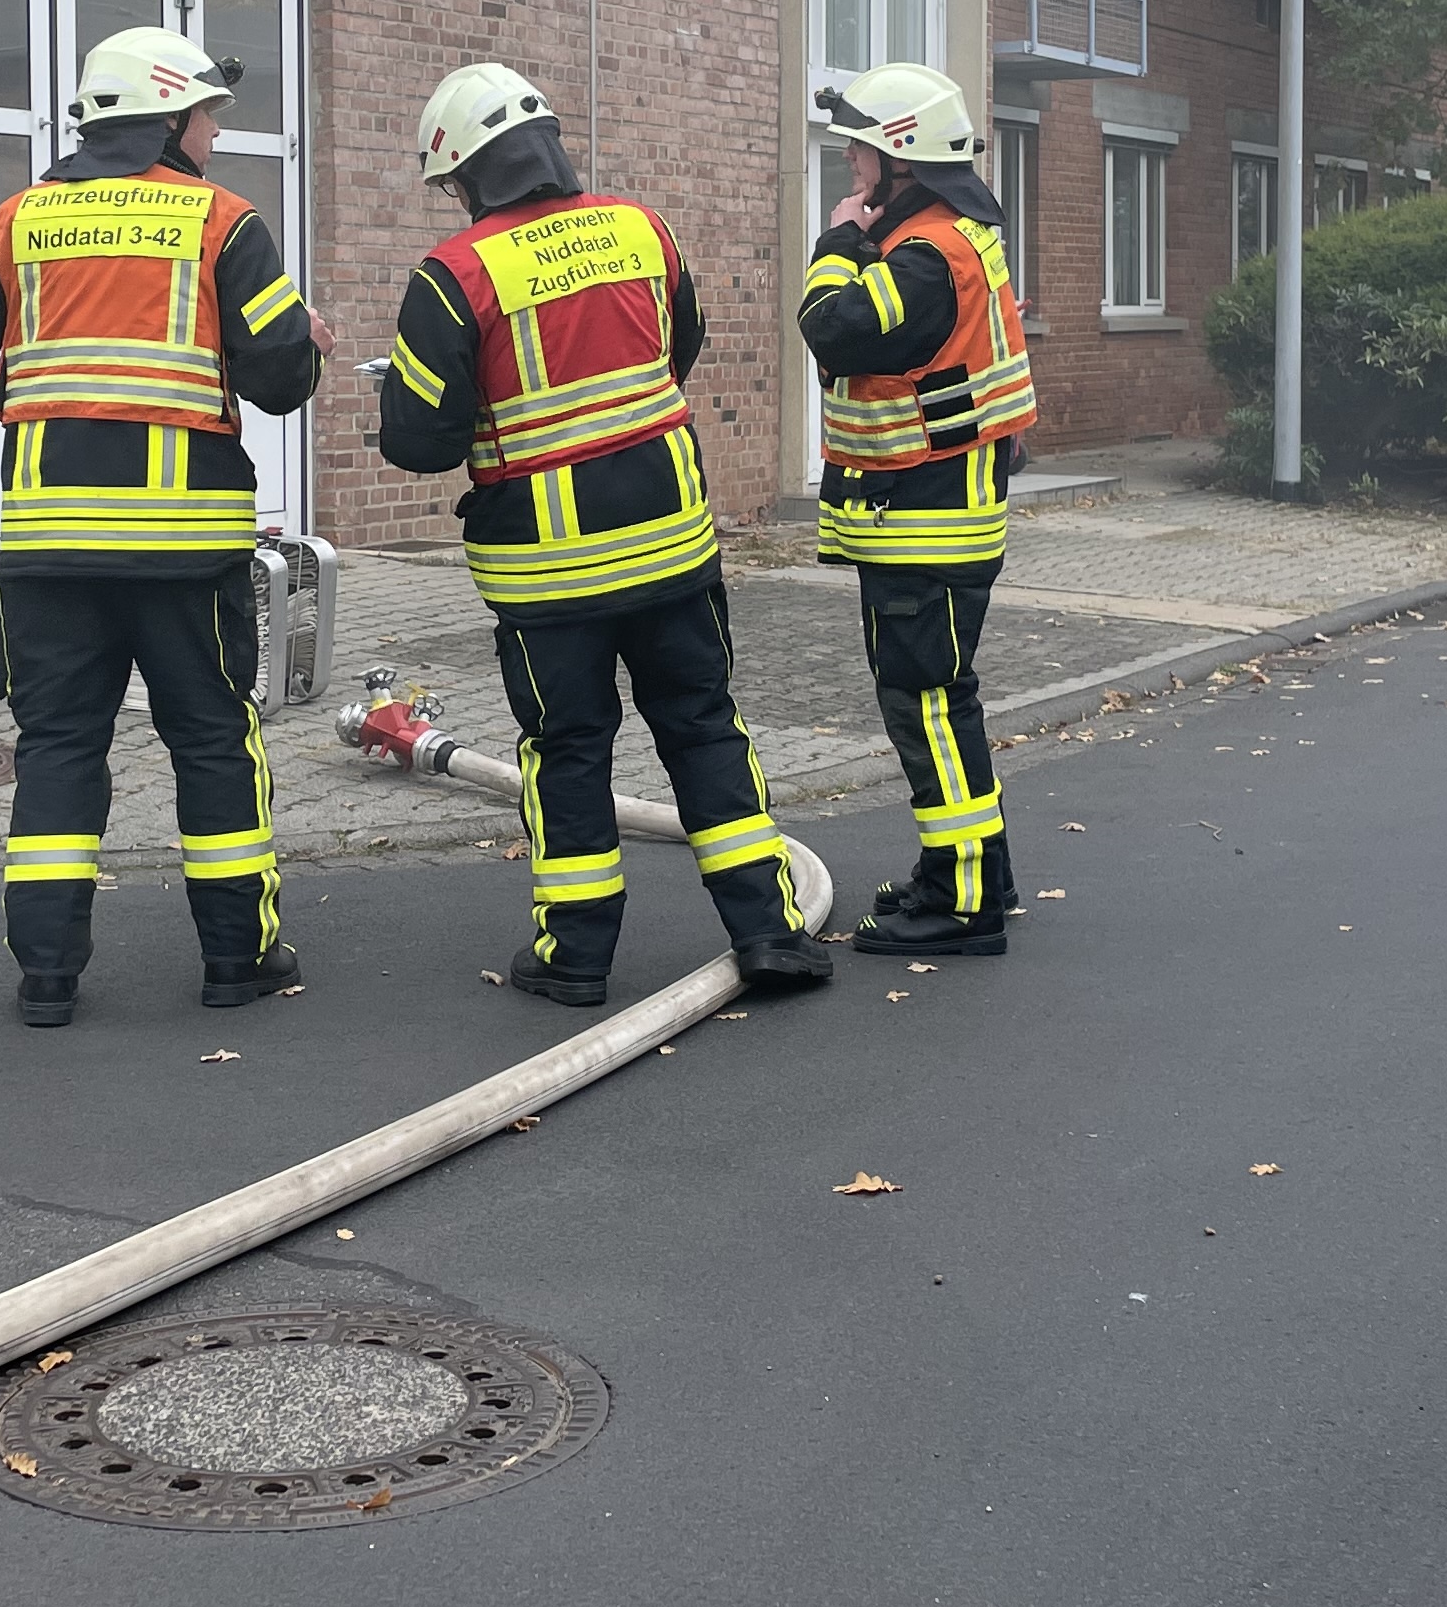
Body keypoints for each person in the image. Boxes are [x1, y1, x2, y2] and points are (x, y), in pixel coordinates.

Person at [0, 27, 325, 1029]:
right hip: (186, 557)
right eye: (208, 116)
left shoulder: (21, 222)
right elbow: (284, 377)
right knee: (212, 743)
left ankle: (47, 978)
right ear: (168, 120)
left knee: (59, 748)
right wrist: (307, 344)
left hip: (50, 554)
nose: (215, 135)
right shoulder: (223, 223)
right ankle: (237, 960)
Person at [376, 62, 825, 1006]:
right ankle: (771, 933)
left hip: (550, 579)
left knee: (568, 752)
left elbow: (421, 443)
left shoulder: (455, 276)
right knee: (704, 729)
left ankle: (576, 957)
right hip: (672, 550)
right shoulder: (642, 230)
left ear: (471, 174)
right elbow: (680, 348)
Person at [799, 61, 1037, 959]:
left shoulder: (925, 257)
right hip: (943, 513)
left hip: (924, 524)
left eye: (860, 147)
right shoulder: (953, 237)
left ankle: (962, 900)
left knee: (927, 705)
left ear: (900, 160)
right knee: (943, 700)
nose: (850, 160)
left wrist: (836, 241)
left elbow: (831, 326)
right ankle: (973, 871)